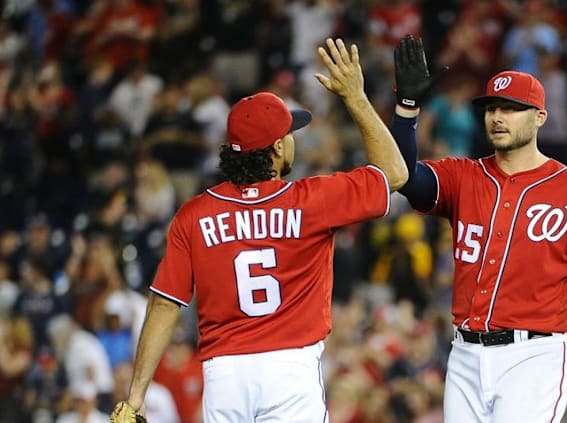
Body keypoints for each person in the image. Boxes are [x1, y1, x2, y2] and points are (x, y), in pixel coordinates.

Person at [110, 38, 408, 423]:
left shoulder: (194, 215)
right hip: (289, 371)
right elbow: (396, 173)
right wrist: (355, 98)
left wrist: (135, 396)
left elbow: (165, 303)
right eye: (289, 135)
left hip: (223, 378)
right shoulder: (313, 199)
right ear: (278, 149)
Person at [389, 35, 567, 422]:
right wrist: (407, 110)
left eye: (511, 109)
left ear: (540, 117)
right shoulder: (464, 175)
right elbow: (403, 176)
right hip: (464, 354)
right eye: (492, 107)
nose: (498, 116)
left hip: (534, 356)